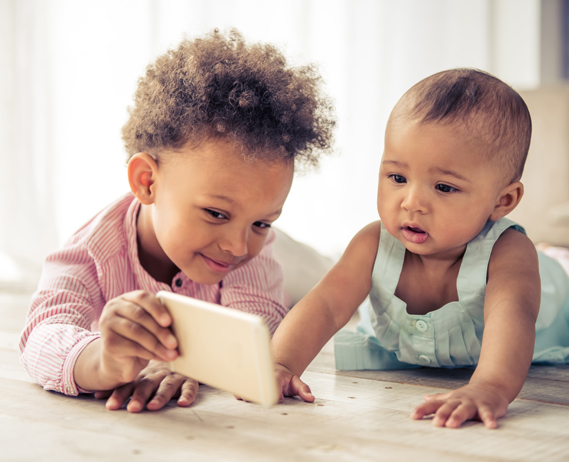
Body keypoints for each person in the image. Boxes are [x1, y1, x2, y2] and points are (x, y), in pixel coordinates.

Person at [19, 29, 335, 413]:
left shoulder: (254, 249)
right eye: (216, 213)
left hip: (294, 265)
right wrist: (102, 360)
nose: (238, 247)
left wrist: (189, 363)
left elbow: (260, 320)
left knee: (324, 277)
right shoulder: (88, 252)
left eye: (262, 221)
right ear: (147, 182)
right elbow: (42, 335)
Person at [271, 68, 569, 429]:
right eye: (398, 178)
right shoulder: (373, 244)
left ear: (502, 201)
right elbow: (326, 305)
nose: (411, 202)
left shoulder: (508, 251)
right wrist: (280, 364)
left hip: (553, 298)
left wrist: (490, 386)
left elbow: (514, 316)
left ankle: (559, 259)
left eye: (443, 187)